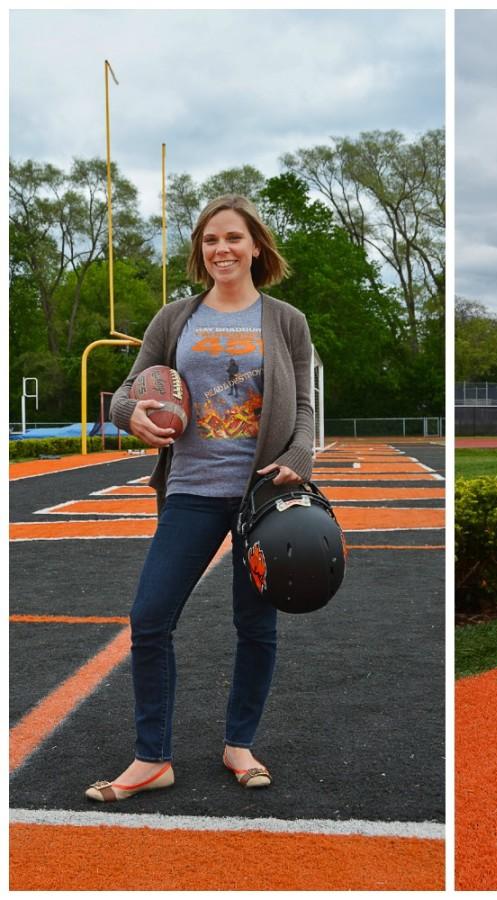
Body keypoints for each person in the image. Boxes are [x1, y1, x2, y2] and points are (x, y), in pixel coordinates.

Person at [85, 195, 314, 801]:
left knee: (255, 624)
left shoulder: (286, 319)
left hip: (260, 496)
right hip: (190, 491)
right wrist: (132, 414)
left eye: (234, 238)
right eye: (211, 240)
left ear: (256, 246)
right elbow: (122, 397)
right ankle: (153, 758)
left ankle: (239, 744)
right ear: (200, 250)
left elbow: (307, 409)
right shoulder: (174, 319)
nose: (222, 249)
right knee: (150, 617)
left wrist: (297, 459)